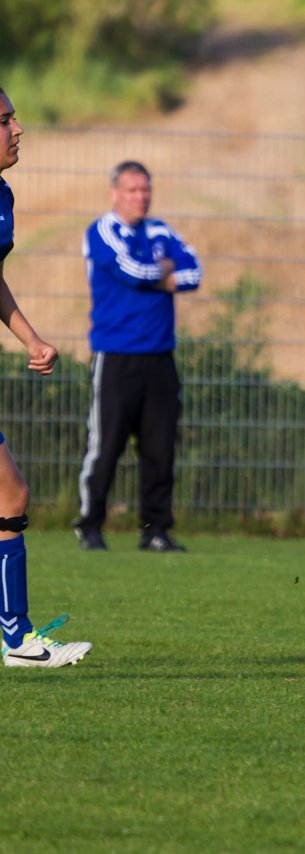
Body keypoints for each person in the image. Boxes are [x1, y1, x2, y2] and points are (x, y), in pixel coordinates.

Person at [0, 86, 93, 667]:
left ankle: (18, 639)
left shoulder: (2, 197)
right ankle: (17, 640)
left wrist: (29, 336)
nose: (18, 128)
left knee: (9, 493)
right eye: (5, 119)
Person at [75, 161, 201, 553]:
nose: (140, 197)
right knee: (106, 445)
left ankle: (155, 530)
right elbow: (131, 271)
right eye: (132, 190)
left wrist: (163, 274)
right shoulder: (101, 231)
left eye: (145, 189)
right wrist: (163, 273)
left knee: (160, 449)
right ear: (115, 193)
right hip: (116, 356)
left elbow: (194, 272)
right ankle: (90, 526)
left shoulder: (161, 230)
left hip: (160, 357)